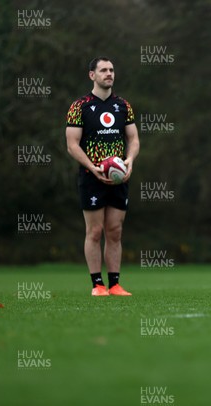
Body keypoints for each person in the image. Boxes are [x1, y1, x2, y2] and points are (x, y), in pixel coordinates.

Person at [65, 56, 140, 296]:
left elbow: (133, 139)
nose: (109, 74)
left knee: (115, 231)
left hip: (119, 178)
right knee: (94, 232)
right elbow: (72, 144)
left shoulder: (123, 106)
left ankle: (115, 284)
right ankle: (97, 285)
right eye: (104, 70)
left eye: (112, 70)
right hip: (91, 177)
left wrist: (128, 162)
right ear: (92, 75)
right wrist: (93, 166)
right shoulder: (80, 106)